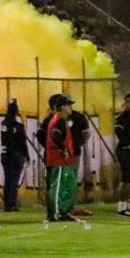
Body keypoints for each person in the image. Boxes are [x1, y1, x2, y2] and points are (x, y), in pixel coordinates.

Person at [41, 94, 79, 222]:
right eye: (68, 105)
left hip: (63, 160)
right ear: (62, 107)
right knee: (57, 187)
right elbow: (55, 135)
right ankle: (56, 212)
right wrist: (63, 149)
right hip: (58, 159)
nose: (71, 108)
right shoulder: (59, 120)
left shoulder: (58, 119)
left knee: (69, 185)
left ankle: (62, 211)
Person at [0, 100, 26, 212]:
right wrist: (27, 155)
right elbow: (23, 142)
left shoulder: (3, 124)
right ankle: (12, 204)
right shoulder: (19, 126)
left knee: (8, 179)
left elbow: (5, 139)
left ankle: (6, 204)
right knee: (14, 179)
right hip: (16, 154)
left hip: (5, 154)